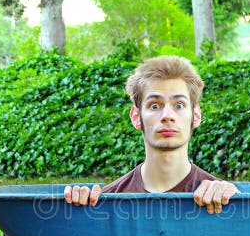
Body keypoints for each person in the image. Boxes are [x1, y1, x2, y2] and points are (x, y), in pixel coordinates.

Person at [64, 55, 238, 214]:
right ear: (136, 117)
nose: (167, 116)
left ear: (196, 115)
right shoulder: (105, 202)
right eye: (155, 105)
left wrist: (239, 202)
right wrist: (76, 209)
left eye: (179, 105)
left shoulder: (221, 199)